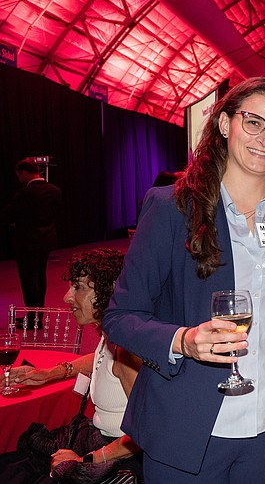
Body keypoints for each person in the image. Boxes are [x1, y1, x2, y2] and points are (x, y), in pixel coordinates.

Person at [102, 77, 265, 483]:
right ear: (226, 124)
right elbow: (120, 316)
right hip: (187, 423)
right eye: (254, 123)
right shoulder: (172, 207)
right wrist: (182, 341)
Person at [0, 249, 143, 484]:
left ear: (108, 290)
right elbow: (99, 360)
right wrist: (51, 373)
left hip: (117, 459)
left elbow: (145, 432)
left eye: (78, 287)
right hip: (100, 441)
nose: (67, 297)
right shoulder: (110, 334)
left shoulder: (126, 350)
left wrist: (87, 460)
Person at [3, 158, 63, 320]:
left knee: (28, 280)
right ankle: (39, 314)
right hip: (46, 240)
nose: (19, 179)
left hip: (27, 242)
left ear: (25, 173)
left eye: (19, 176)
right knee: (40, 276)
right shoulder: (55, 191)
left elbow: (8, 215)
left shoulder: (25, 193)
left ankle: (32, 317)